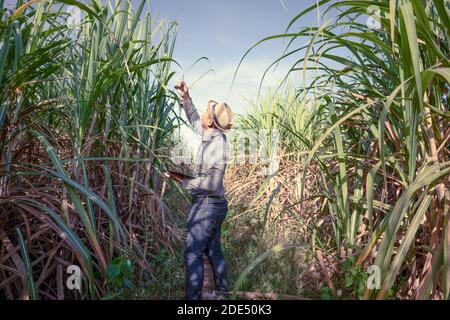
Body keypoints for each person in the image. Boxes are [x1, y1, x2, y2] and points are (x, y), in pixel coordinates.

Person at [165, 81, 233, 300]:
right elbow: (194, 119)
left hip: (208, 206)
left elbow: (212, 184)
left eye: (206, 111)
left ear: (211, 121)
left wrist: (185, 181)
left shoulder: (217, 145)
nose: (202, 113)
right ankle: (222, 294)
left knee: (193, 254)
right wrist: (186, 97)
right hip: (213, 204)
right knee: (213, 250)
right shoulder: (209, 133)